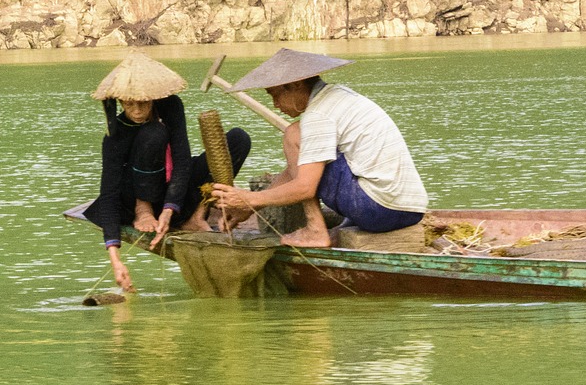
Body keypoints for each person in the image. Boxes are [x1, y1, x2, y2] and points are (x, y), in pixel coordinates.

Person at [211, 48, 428, 247]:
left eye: (275, 95)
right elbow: (296, 169)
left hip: (379, 209)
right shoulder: (338, 95)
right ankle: (326, 228)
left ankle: (315, 230)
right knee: (307, 157)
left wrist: (248, 198)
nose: (276, 105)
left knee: (293, 133)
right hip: (410, 209)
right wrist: (250, 208)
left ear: (296, 85)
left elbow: (305, 186)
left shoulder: (318, 115)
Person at [83, 51, 251, 291]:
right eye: (129, 103)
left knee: (238, 139)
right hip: (136, 195)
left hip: (173, 187)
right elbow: (109, 193)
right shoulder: (115, 135)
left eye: (144, 102)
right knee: (154, 133)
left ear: (154, 97)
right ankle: (145, 210)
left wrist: (169, 210)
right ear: (120, 101)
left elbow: (182, 160)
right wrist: (116, 260)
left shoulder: (171, 106)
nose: (138, 110)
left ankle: (196, 216)